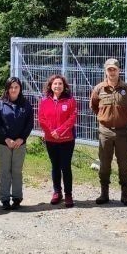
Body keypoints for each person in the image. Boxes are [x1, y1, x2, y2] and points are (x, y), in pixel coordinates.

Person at [90, 58, 127, 206]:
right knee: (104, 164)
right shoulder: (99, 89)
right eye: (109, 69)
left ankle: (125, 195)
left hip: (122, 132)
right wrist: (105, 118)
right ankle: (104, 194)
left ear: (119, 70)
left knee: (124, 165)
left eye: (114, 69)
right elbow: (94, 106)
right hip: (105, 131)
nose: (112, 72)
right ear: (106, 71)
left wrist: (119, 118)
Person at [0, 77, 34, 210]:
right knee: (4, 171)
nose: (13, 89)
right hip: (4, 143)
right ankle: (4, 199)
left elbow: (29, 123)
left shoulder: (26, 104)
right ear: (7, 88)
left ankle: (17, 197)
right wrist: (6, 139)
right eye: (11, 87)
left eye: (16, 87)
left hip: (20, 143)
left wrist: (22, 138)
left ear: (20, 88)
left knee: (17, 171)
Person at [38, 74, 77, 207]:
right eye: (55, 84)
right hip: (51, 140)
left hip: (67, 139)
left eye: (60, 84)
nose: (57, 86)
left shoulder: (70, 100)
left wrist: (59, 132)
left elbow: (72, 118)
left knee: (65, 167)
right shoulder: (44, 101)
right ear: (50, 85)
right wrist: (51, 133)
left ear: (64, 86)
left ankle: (68, 194)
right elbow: (41, 119)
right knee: (55, 166)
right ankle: (57, 192)